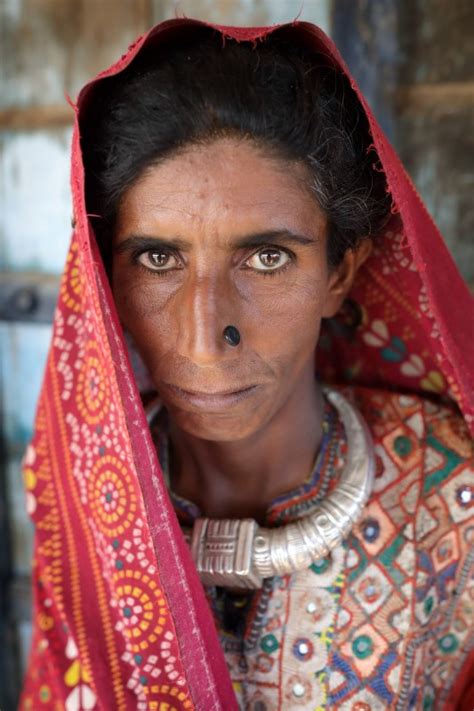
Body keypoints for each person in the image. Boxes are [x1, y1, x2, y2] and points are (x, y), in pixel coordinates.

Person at [19, 17, 473, 711]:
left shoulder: (450, 500)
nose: (204, 339)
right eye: (157, 258)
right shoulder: (80, 496)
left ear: (339, 273)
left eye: (267, 258)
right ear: (106, 280)